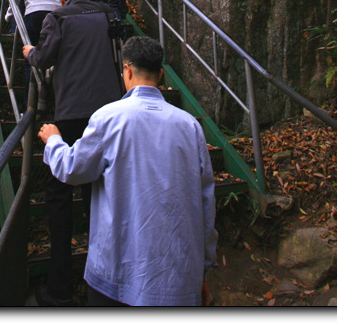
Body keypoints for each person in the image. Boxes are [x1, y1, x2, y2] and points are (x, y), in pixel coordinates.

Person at [38, 35, 218, 307]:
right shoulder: (190, 126)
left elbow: (72, 168)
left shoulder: (110, 118)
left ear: (127, 70)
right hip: (179, 278)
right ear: (159, 74)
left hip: (116, 277)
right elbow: (206, 203)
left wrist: (53, 140)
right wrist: (204, 269)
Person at [23, 0, 123, 307]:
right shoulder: (108, 14)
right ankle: (105, 282)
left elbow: (44, 58)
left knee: (59, 195)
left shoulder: (59, 18)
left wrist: (29, 52)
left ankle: (60, 288)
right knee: (98, 193)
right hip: (109, 114)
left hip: (69, 114)